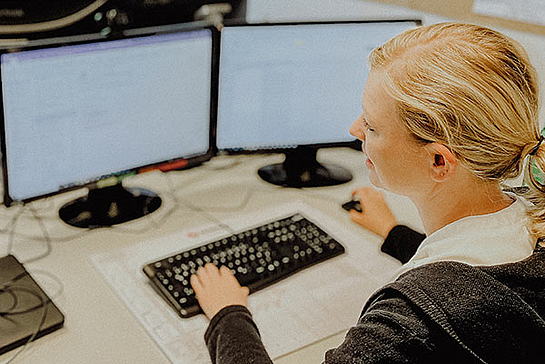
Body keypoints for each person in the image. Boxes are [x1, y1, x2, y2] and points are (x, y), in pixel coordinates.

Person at [190, 23, 545, 363]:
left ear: (439, 161)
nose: (355, 128)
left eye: (372, 126)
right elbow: (470, 280)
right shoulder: (531, 234)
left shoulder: (407, 327)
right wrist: (395, 234)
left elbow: (447, 297)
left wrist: (228, 315)